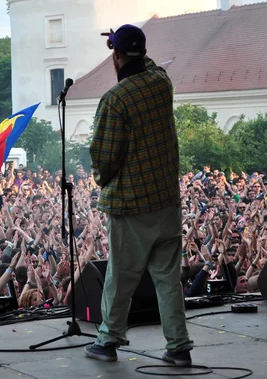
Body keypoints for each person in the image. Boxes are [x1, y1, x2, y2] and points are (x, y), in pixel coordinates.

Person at [84, 24, 193, 365]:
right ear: (142, 53)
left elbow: (103, 155)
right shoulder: (162, 82)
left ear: (115, 56)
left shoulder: (115, 99)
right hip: (166, 200)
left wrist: (103, 178)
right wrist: (126, 43)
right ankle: (178, 348)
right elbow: (149, 62)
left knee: (121, 277)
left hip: (132, 205)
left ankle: (108, 340)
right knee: (168, 279)